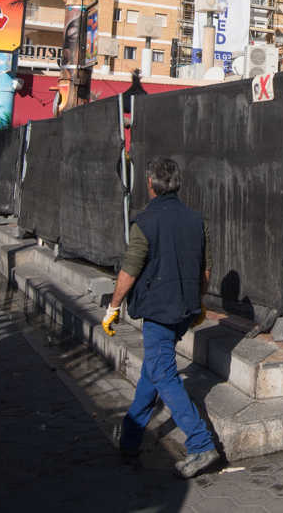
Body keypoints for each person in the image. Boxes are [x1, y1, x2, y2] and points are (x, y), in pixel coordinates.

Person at [101, 157, 218, 478]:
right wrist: (198, 301)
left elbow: (130, 269)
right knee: (153, 372)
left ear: (150, 184)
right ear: (177, 184)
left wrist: (113, 307)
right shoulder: (196, 220)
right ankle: (130, 438)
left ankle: (201, 443)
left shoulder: (145, 221)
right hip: (185, 309)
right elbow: (206, 268)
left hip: (158, 311)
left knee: (163, 373)